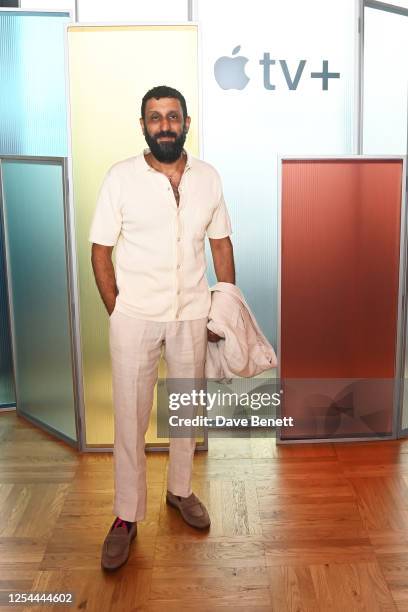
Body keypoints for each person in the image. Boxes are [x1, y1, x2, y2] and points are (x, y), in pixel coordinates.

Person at [89, 85, 235, 571]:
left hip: (192, 312)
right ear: (144, 126)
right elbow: (100, 250)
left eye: (173, 116)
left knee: (186, 413)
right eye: (155, 118)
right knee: (130, 417)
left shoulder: (209, 178)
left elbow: (220, 245)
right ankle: (125, 517)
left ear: (187, 123)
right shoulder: (120, 179)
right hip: (135, 316)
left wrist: (224, 307)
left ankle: (180, 490)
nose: (165, 125)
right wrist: (119, 310)